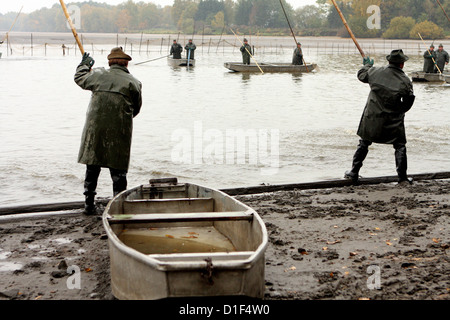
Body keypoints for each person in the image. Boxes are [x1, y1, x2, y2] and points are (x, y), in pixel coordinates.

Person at [74, 47, 142, 215]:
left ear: (110, 62)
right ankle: (118, 208)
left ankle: (89, 205)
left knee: (92, 167)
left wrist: (84, 65)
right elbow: (136, 108)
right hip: (120, 131)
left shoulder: (97, 74)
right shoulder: (134, 82)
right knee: (118, 172)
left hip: (94, 130)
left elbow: (79, 78)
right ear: (126, 63)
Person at [344, 49, 415, 185]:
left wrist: (366, 65)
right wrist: (400, 112)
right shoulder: (405, 81)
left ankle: (353, 173)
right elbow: (408, 102)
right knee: (400, 146)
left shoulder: (375, 72)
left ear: (389, 61)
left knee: (364, 143)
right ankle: (402, 178)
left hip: (372, 117)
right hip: (393, 119)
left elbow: (361, 75)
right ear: (402, 64)